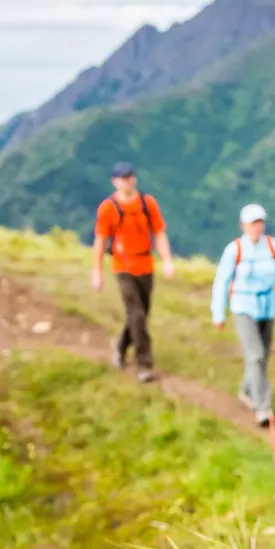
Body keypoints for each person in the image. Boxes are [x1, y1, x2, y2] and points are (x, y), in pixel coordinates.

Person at [210, 203, 275, 428]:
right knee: (255, 355)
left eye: (260, 222)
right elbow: (221, 281)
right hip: (244, 306)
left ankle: (247, 389)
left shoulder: (274, 247)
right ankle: (263, 407)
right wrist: (218, 312)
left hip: (268, 307)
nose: (257, 227)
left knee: (263, 356)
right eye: (253, 223)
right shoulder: (235, 250)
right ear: (243, 225)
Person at [91, 162, 171, 383]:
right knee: (136, 314)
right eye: (123, 178)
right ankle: (144, 364)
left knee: (140, 315)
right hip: (123, 266)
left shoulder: (148, 203)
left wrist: (166, 260)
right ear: (115, 182)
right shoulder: (108, 208)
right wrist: (96, 271)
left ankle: (120, 348)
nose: (128, 181)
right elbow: (100, 240)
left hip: (146, 265)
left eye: (130, 176)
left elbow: (159, 232)